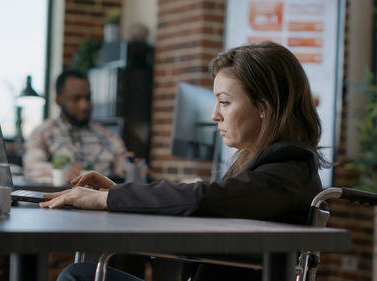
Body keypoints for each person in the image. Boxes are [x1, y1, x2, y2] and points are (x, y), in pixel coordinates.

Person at [39, 41, 328, 281]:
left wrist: (112, 198)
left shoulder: (287, 169)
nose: (215, 115)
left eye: (225, 102)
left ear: (264, 107)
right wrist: (121, 195)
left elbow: (201, 200)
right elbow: (205, 207)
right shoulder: (280, 167)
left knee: (78, 276)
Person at [23, 69, 127, 182]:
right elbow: (31, 167)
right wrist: (62, 172)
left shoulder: (107, 135)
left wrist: (134, 168)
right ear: (58, 100)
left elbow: (125, 168)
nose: (84, 106)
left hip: (100, 198)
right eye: (76, 99)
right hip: (60, 197)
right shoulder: (42, 133)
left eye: (87, 98)